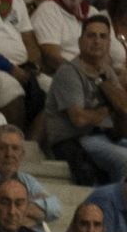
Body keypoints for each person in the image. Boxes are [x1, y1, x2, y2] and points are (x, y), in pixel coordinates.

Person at [43, 16, 127, 184]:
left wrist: (114, 102)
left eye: (103, 37)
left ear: (109, 44)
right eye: (91, 36)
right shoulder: (69, 72)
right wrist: (109, 107)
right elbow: (79, 119)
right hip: (77, 140)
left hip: (106, 135)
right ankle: (117, 205)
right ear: (80, 41)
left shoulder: (107, 71)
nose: (97, 41)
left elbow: (124, 108)